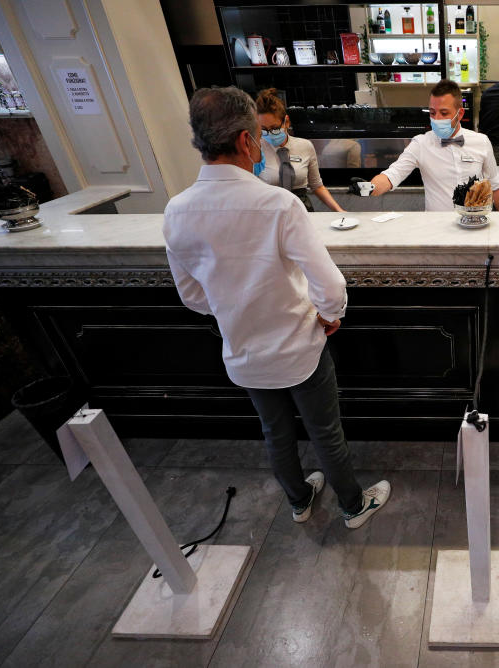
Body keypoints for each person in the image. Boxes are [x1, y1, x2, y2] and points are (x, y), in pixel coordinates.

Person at [164, 87, 390, 528]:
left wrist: (234, 309)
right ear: (247, 141)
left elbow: (192, 297)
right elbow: (330, 284)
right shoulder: (277, 204)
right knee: (325, 432)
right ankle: (352, 505)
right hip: (298, 348)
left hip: (244, 352)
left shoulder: (177, 211)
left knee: (275, 433)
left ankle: (299, 500)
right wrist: (329, 314)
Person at [350, 79, 499, 212]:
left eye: (444, 113)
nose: (437, 119)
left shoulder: (481, 142)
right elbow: (393, 174)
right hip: (437, 229)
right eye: (432, 113)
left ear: (459, 114)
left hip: (476, 224)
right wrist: (369, 188)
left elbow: (496, 186)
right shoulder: (421, 144)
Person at [254, 88, 345, 213]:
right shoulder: (255, 149)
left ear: (286, 122)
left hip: (302, 210)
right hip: (270, 212)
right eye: (264, 130)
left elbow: (317, 186)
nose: (269, 134)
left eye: (274, 128)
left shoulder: (305, 146)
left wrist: (339, 210)